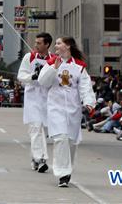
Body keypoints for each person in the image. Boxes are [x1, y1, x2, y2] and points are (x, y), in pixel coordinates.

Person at [38, 36, 96, 188]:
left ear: (68, 45)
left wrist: (89, 102)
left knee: (71, 141)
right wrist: (53, 68)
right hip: (55, 108)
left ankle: (67, 169)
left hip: (73, 109)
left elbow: (85, 87)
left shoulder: (80, 66)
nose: (55, 46)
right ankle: (62, 174)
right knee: (60, 138)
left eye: (58, 43)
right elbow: (42, 82)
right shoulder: (51, 63)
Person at [17, 32, 53, 173]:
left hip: (48, 99)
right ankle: (42, 158)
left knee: (42, 130)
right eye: (35, 42)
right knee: (35, 127)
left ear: (47, 45)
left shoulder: (54, 60)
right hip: (32, 98)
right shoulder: (29, 57)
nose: (35, 45)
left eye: (39, 43)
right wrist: (33, 76)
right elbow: (21, 76)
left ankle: (35, 158)